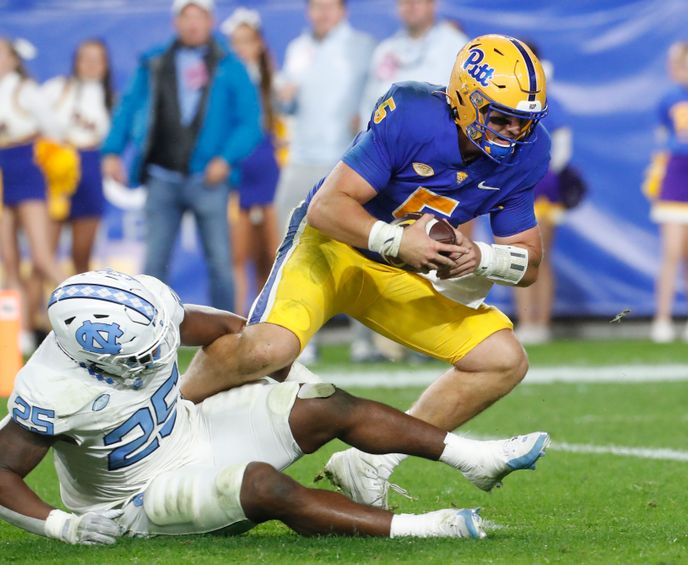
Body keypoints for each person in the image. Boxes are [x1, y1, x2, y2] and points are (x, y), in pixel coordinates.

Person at [181, 34, 551, 508]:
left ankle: (371, 463)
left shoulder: (527, 153)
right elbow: (327, 207)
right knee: (270, 348)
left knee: (504, 360)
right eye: (502, 117)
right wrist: (398, 239)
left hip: (398, 270)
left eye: (523, 123)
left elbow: (530, 262)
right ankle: (167, 416)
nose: (513, 133)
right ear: (464, 100)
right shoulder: (414, 114)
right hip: (332, 246)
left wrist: (483, 257)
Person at [0, 269, 550, 543]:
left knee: (321, 403)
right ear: (97, 350)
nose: (165, 345)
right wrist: (64, 525)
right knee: (263, 486)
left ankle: (470, 456)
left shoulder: (147, 322)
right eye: (149, 346)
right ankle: (424, 529)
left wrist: (295, 381)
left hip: (189, 431)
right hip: (134, 499)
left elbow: (228, 328)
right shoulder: (51, 389)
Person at [101, 0, 261, 313]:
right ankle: (145, 332)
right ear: (176, 22)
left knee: (220, 261)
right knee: (154, 264)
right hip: (162, 176)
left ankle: (227, 336)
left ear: (211, 20)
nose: (192, 23)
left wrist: (226, 159)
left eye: (199, 16)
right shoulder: (155, 62)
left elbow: (250, 122)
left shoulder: (230, 65)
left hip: (209, 179)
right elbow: (128, 107)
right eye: (186, 16)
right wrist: (111, 150)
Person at [352, 0, 466, 362]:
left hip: (445, 169)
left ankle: (441, 335)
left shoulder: (456, 46)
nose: (410, 6)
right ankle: (385, 340)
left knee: (445, 247)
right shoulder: (387, 50)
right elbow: (369, 106)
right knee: (379, 246)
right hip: (388, 165)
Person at [273, 0, 374, 362]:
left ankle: (365, 340)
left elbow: (375, 94)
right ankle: (298, 337)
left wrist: (365, 120)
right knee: (291, 251)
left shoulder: (362, 46)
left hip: (346, 161)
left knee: (359, 249)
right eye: (316, 7)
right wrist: (281, 97)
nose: (322, 13)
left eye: (328, 6)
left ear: (342, 10)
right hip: (301, 158)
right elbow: (285, 105)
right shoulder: (299, 48)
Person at [0, 36, 65, 352]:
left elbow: (55, 130)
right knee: (9, 260)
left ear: (13, 59)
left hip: (27, 169)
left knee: (41, 257)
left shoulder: (25, 90)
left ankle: (88, 303)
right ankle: (21, 332)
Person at [221, 8, 282, 315]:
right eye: (236, 41)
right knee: (238, 253)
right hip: (237, 174)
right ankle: (236, 318)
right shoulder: (223, 82)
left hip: (268, 174)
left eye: (247, 40)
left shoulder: (271, 81)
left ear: (258, 43)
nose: (241, 47)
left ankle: (264, 317)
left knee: (270, 254)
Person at [513, 47, 573, 345]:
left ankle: (541, 323)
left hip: (541, 187)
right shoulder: (506, 97)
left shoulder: (548, 100)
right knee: (517, 257)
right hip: (515, 184)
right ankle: (526, 321)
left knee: (539, 256)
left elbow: (561, 144)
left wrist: (544, 171)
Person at [43, 39, 113, 275]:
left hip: (90, 167)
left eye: (97, 59)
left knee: (82, 255)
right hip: (57, 168)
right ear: (76, 62)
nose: (91, 64)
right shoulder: (57, 89)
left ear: (105, 65)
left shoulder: (110, 98)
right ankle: (33, 312)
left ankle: (78, 308)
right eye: (86, 58)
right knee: (43, 256)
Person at [646, 41, 688, 343]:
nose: (674, 69)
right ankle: (662, 319)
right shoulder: (668, 99)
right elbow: (662, 139)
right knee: (671, 251)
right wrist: (656, 170)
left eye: (680, 63)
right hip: (675, 178)